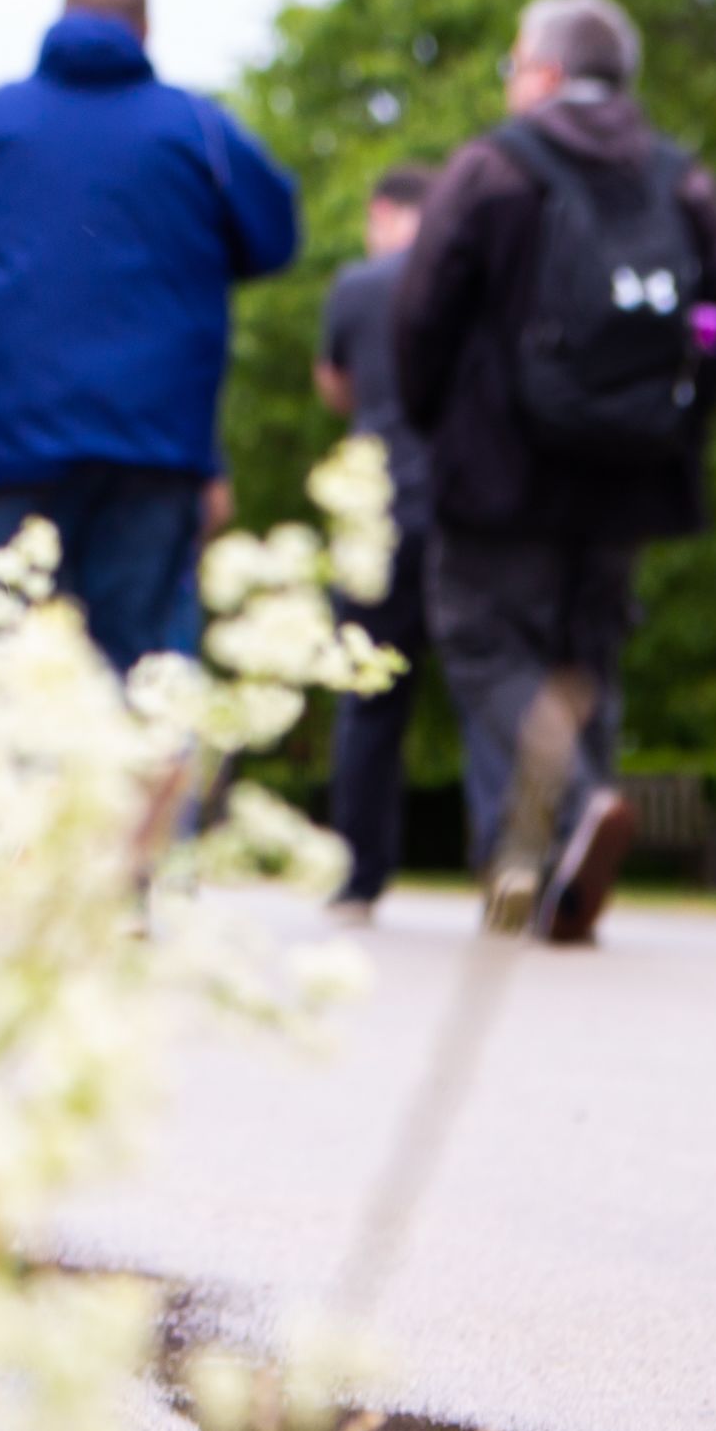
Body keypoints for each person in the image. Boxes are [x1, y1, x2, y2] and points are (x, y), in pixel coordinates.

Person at [396, 0, 716, 945]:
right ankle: (551, 883)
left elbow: (421, 314)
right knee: (587, 659)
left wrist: (435, 423)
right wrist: (676, 429)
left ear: (545, 71)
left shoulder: (494, 168)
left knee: (484, 645)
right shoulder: (683, 180)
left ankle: (579, 813)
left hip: (500, 469)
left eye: (514, 64)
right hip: (629, 471)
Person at [0, 0, 302, 672]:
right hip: (152, 451)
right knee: (139, 673)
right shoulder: (199, 129)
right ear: (145, 30)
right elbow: (275, 236)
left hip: (4, 447)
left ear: (60, 18)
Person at [314, 163, 442, 915]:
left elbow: (334, 385)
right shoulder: (468, 280)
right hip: (460, 506)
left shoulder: (357, 287)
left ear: (383, 212)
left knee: (367, 697)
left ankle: (360, 877)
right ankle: (517, 867)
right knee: (486, 687)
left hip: (377, 510)